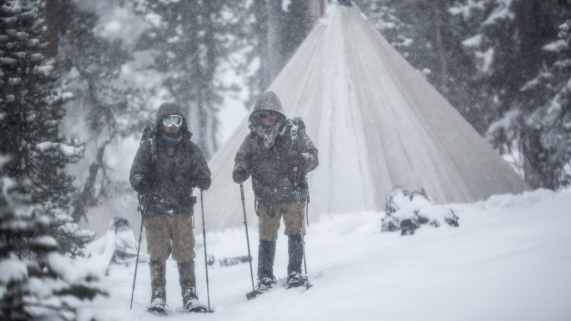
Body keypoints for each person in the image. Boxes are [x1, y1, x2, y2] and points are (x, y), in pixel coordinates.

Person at [130, 103, 211, 314]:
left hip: (182, 210)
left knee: (185, 253)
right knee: (157, 254)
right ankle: (158, 295)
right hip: (155, 210)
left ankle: (190, 294)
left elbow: (204, 171)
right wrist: (141, 182)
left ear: (182, 123)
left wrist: (203, 179)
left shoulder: (190, 148)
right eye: (168, 121)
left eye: (177, 120)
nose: (173, 126)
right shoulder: (148, 147)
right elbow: (135, 172)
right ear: (160, 124)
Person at [233, 91, 319, 291]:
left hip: (293, 193)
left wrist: (302, 160)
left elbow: (313, 156)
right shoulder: (252, 138)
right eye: (264, 115)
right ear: (257, 117)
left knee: (295, 234)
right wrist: (241, 170)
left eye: (272, 114)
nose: (268, 118)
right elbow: (242, 158)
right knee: (266, 237)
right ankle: (264, 277)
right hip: (267, 197)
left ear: (279, 114)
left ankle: (295, 273)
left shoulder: (294, 133)